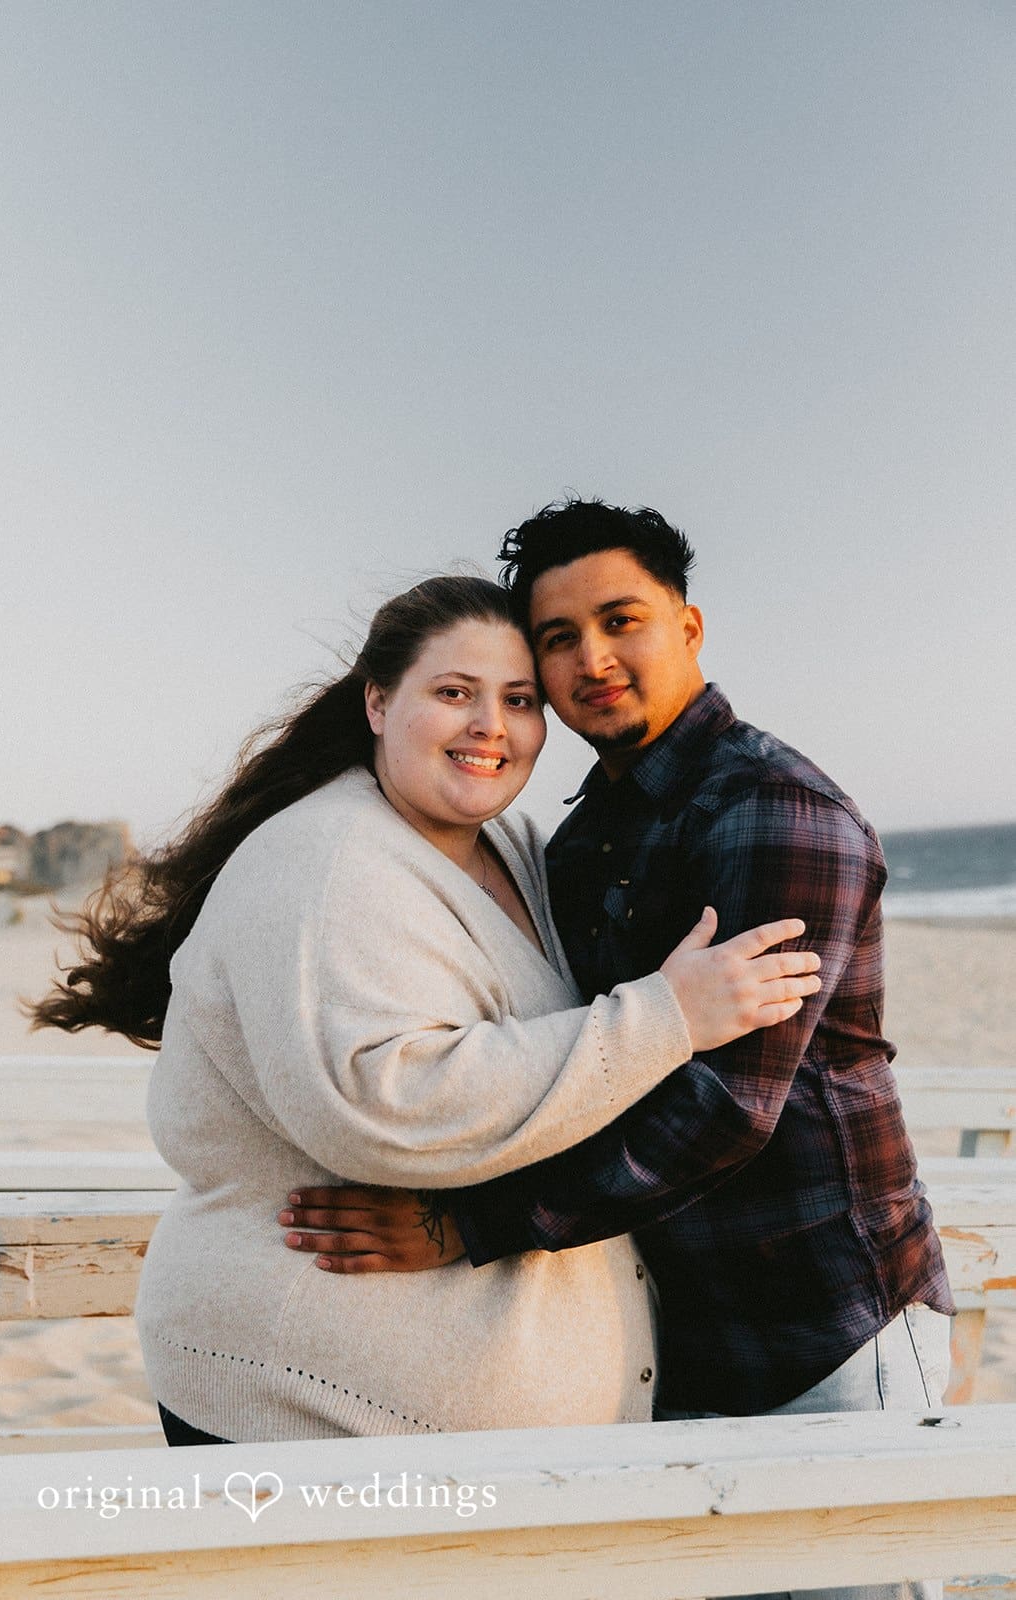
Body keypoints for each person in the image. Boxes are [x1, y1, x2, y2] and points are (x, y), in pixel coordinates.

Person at [279, 505, 954, 1600]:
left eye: (621, 619)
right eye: (556, 636)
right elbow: (574, 1056)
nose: (590, 657)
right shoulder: (592, 828)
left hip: (826, 1326)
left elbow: (731, 1107)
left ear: (688, 625)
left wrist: (465, 1227)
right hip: (671, 1328)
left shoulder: (772, 810)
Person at [30, 573, 820, 1446]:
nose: (491, 725)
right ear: (377, 701)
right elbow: (387, 1101)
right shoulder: (324, 860)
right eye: (454, 693)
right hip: (313, 1411)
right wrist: (667, 1017)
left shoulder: (512, 846)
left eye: (519, 701)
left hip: (481, 1446)